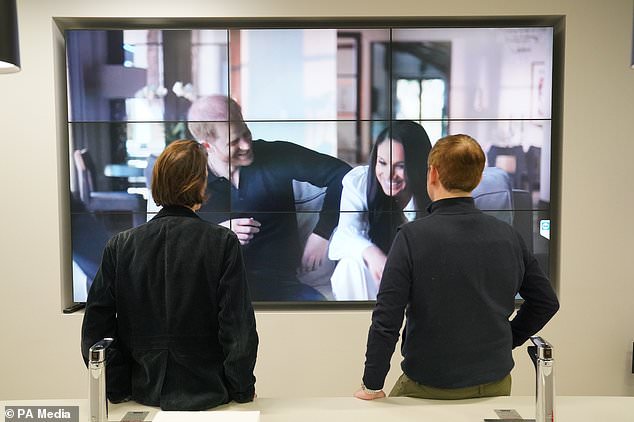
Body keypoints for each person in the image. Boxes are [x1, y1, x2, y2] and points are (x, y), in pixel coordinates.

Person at [354, 134, 559, 400]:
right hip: (495, 385)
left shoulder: (410, 237)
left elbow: (387, 320)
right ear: (477, 177)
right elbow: (546, 302)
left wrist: (372, 385)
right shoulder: (508, 236)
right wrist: (508, 338)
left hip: (428, 387)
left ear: (433, 174)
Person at [81, 140, 258, 411]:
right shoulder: (222, 242)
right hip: (210, 397)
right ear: (199, 183)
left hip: (141, 394)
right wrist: (241, 391)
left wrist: (117, 388)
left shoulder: (121, 245)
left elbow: (96, 329)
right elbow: (238, 329)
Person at [186, 95, 351, 301]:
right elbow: (173, 244)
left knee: (326, 320)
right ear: (207, 146)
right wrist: (218, 235)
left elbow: (344, 175)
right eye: (234, 141)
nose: (246, 145)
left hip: (284, 289)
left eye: (246, 133)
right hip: (218, 296)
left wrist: (322, 232)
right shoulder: (190, 181)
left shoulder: (276, 155)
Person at [328, 121, 432, 300]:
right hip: (376, 282)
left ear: (417, 166)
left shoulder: (435, 189)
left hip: (419, 282)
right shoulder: (359, 182)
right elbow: (343, 237)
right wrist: (373, 254)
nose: (389, 174)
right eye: (382, 162)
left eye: (400, 166)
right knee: (349, 266)